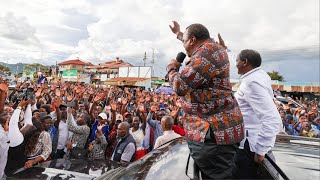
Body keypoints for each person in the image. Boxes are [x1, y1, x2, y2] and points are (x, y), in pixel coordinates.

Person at [167, 21, 244, 179]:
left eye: (185, 42)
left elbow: (180, 86)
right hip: (218, 132)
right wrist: (179, 34)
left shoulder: (206, 53)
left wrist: (172, 68)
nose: (184, 47)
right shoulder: (214, 48)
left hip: (212, 135)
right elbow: (188, 39)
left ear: (193, 40)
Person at [233, 49, 282, 179]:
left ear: (245, 62)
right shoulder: (257, 77)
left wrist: (261, 150)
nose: (235, 64)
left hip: (250, 148)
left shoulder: (251, 82)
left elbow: (272, 120)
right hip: (251, 143)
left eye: (237, 60)